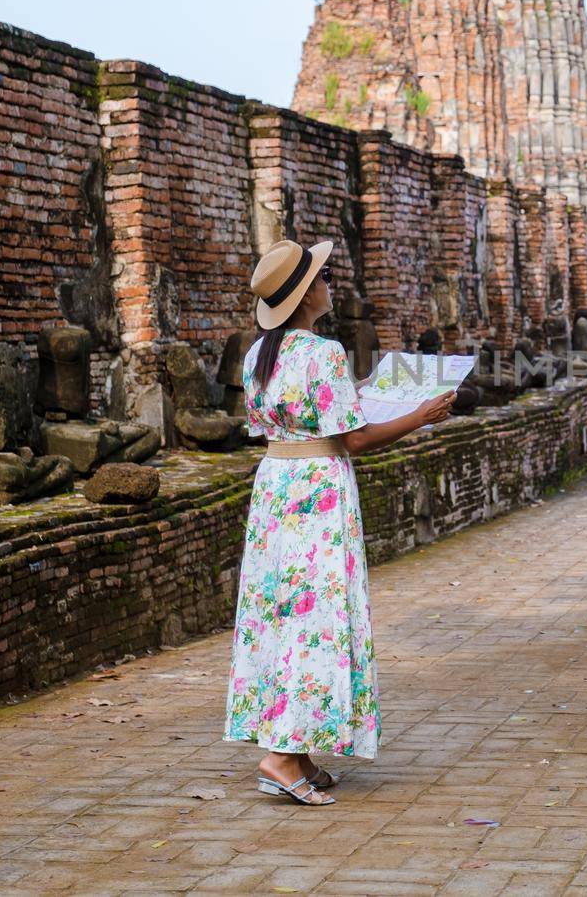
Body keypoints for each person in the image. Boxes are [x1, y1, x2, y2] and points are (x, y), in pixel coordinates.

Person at [224, 239, 454, 806]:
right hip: (319, 492)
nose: (331, 285)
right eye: (324, 277)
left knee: (277, 614)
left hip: (276, 487)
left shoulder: (258, 354)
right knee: (320, 614)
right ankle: (280, 756)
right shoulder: (321, 354)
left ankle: (295, 749)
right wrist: (419, 416)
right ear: (305, 296)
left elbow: (274, 422)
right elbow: (351, 438)